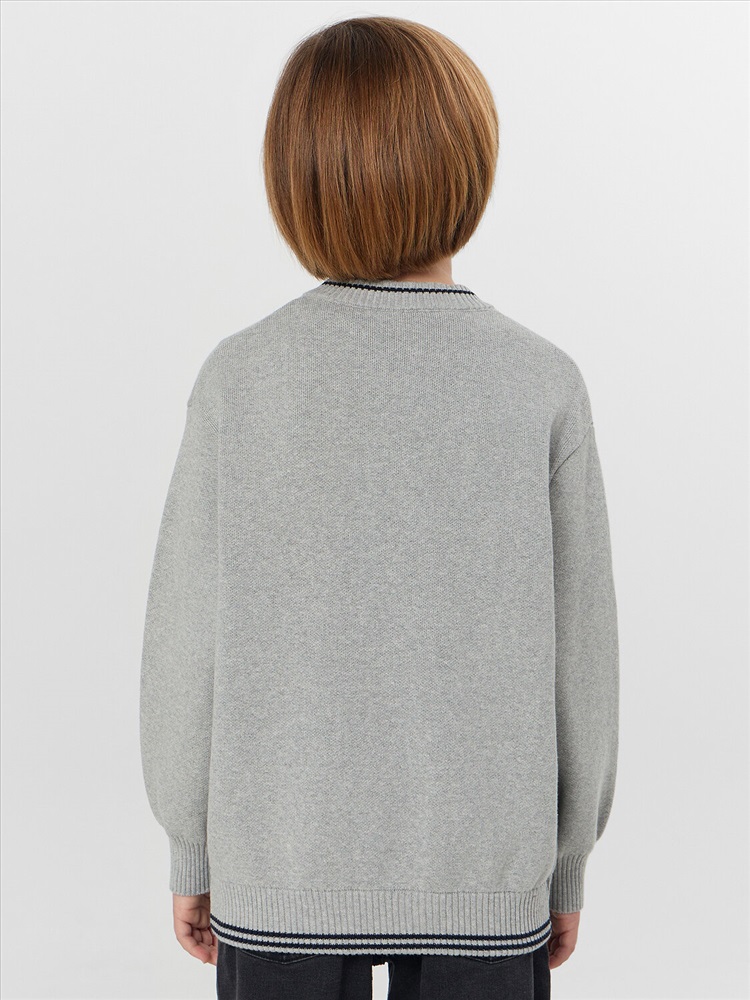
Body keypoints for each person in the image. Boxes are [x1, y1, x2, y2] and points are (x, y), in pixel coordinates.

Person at [139, 14, 620, 1000]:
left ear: (296, 180)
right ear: (469, 166)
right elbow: (585, 656)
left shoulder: (242, 380)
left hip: (280, 870)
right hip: (487, 878)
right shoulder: (541, 382)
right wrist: (567, 861)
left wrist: (192, 845)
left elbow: (184, 644)